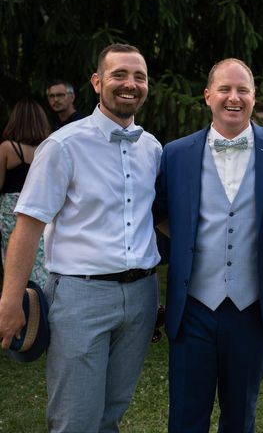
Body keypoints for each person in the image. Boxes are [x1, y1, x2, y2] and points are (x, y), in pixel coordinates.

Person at [0, 43, 162, 432]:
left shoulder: (153, 149)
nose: (130, 84)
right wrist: (10, 299)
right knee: (76, 418)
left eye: (139, 76)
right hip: (80, 296)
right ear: (97, 82)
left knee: (111, 413)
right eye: (119, 74)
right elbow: (28, 225)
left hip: (142, 296)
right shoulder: (63, 145)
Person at [154, 58, 263, 432]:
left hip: (252, 308)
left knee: (241, 417)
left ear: (254, 98)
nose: (233, 98)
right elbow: (159, 213)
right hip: (193, 307)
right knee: (186, 418)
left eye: (243, 90)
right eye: (225, 89)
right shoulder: (175, 154)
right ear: (208, 96)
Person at [0, 99, 51, 288]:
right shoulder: (47, 149)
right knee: (41, 258)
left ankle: (21, 302)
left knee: (14, 258)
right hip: (40, 207)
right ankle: (40, 301)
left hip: (11, 210)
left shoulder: (7, 148)